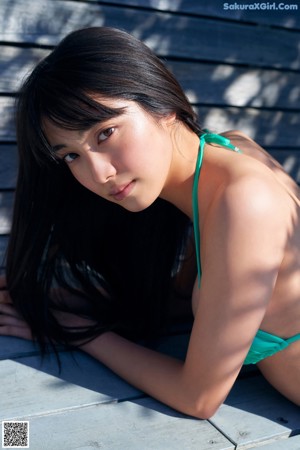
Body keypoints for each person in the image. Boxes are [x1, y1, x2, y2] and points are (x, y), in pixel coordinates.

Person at [0, 27, 299, 419]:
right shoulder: (228, 151)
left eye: (105, 133)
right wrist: (56, 297)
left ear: (163, 103)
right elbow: (188, 300)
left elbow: (198, 398)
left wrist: (70, 327)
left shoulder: (245, 199)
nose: (98, 174)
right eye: (71, 156)